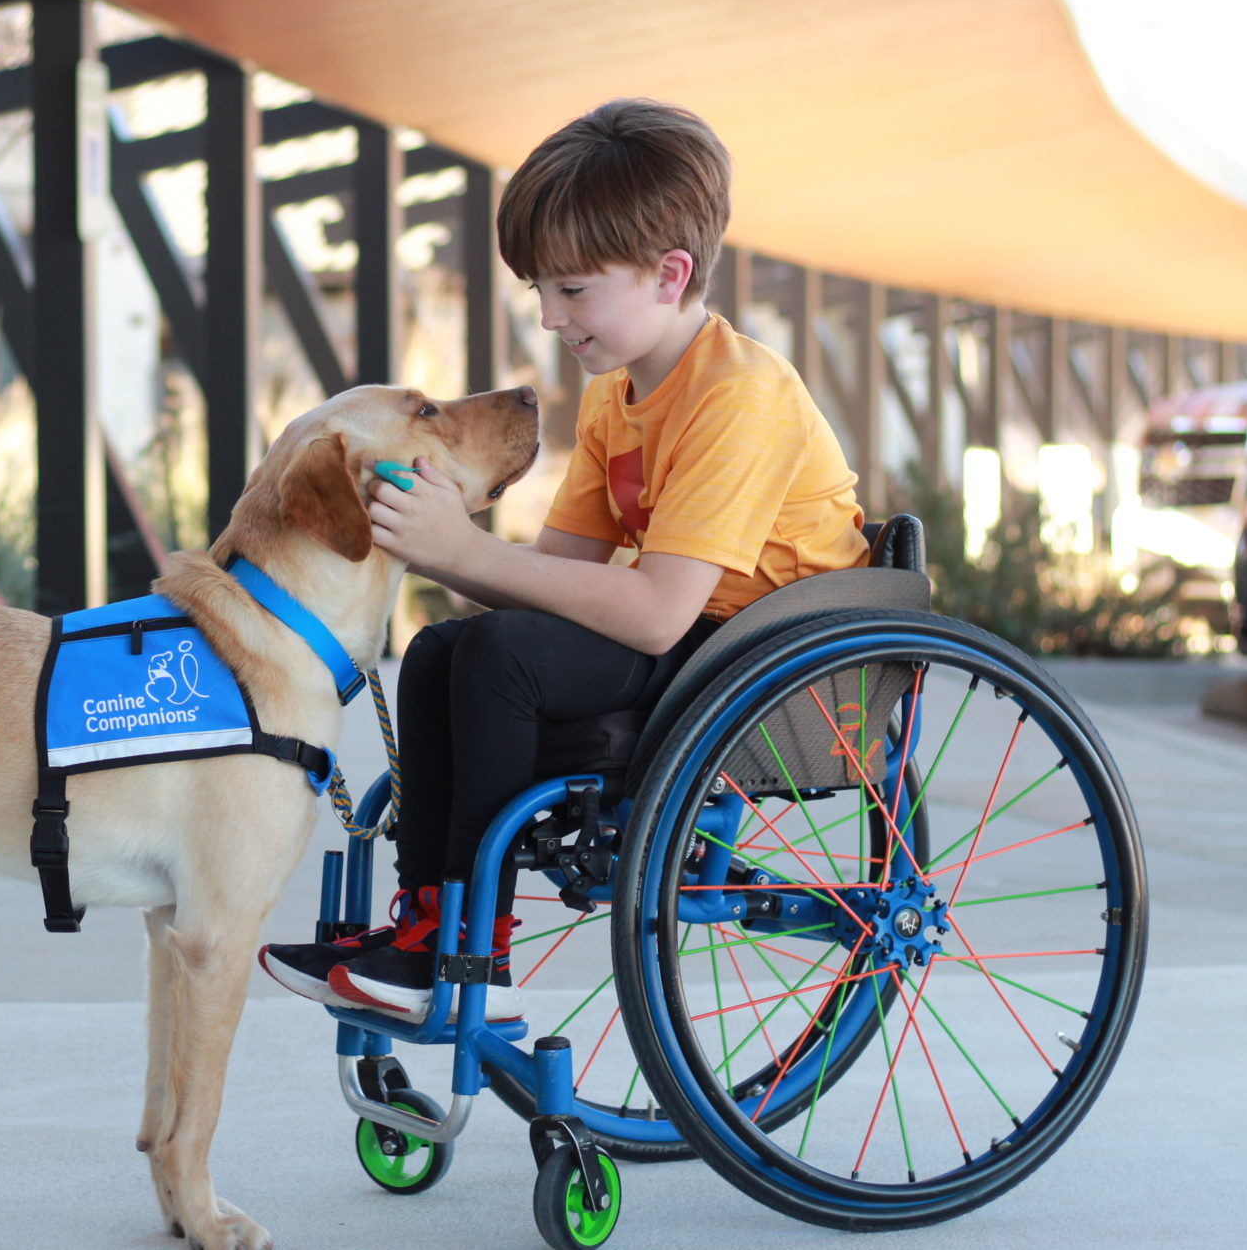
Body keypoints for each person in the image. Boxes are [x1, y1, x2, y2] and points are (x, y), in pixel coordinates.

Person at [258, 98, 871, 1022]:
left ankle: (473, 957)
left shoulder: (740, 397)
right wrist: (425, 535)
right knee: (440, 652)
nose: (549, 317)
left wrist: (465, 550)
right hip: (695, 645)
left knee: (502, 655)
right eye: (541, 290)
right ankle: (428, 924)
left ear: (671, 275)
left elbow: (660, 610)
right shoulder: (614, 399)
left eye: (573, 290)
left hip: (767, 658)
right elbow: (548, 578)